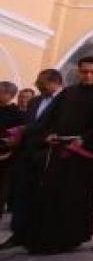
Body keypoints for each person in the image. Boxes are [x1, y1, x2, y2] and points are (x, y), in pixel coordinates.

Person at [22, 57, 93, 254]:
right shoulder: (68, 92)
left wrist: (84, 140)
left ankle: (72, 237)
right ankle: (50, 238)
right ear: (79, 72)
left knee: (77, 196)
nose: (88, 75)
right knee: (52, 194)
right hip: (60, 150)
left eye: (92, 72)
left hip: (83, 155)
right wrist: (49, 134)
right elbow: (50, 118)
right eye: (85, 71)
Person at [0, 69, 63, 250]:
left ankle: (37, 234)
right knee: (21, 195)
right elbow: (30, 124)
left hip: (47, 153)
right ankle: (18, 233)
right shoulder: (35, 101)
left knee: (41, 197)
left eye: (41, 82)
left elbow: (59, 125)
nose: (37, 84)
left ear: (54, 82)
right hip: (26, 153)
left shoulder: (64, 101)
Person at [0, 81, 23, 220]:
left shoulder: (17, 114)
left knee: (2, 188)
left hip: (6, 157)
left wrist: (8, 151)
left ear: (10, 95)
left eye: (1, 92)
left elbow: (18, 137)